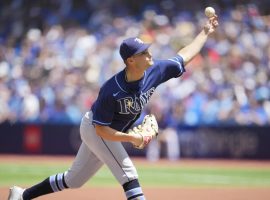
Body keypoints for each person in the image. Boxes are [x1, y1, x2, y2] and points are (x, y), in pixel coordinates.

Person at [8, 15, 219, 200]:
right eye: (143, 52)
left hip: (105, 131)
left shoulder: (156, 70)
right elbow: (101, 130)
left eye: (147, 49)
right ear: (131, 60)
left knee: (74, 180)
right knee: (129, 174)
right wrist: (132, 138)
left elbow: (185, 54)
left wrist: (204, 32)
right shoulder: (112, 89)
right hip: (97, 129)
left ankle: (22, 195)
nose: (149, 54)